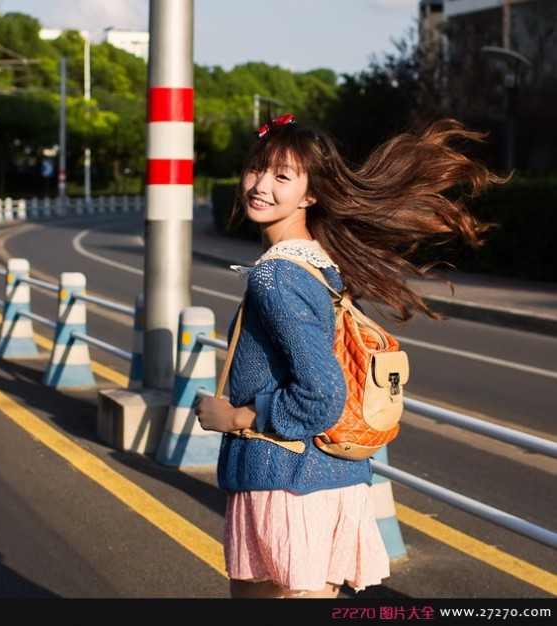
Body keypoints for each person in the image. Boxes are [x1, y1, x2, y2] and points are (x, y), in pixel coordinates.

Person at [194, 114, 509, 599]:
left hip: (286, 484)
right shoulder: (320, 265)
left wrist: (234, 415)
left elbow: (322, 394)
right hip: (331, 481)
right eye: (256, 169)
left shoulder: (276, 276)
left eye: (282, 176)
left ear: (310, 194)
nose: (260, 185)